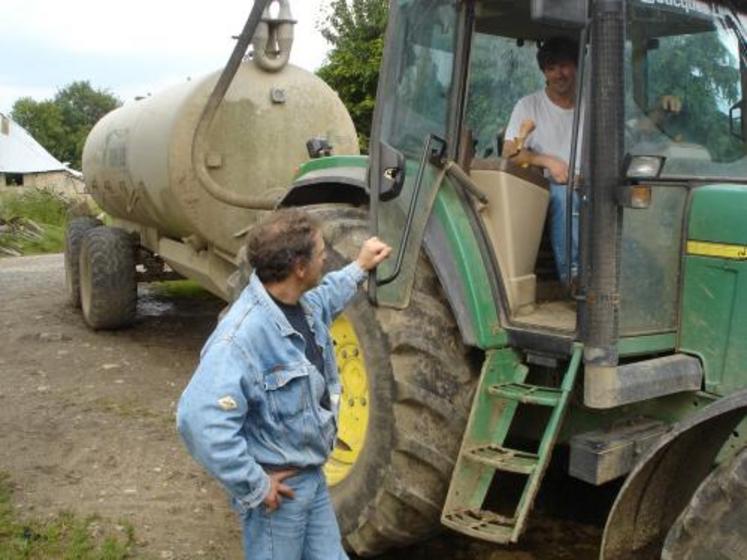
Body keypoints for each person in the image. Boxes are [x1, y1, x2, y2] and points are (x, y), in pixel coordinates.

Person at [176, 209, 392, 560]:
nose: (325, 257)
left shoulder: (300, 306)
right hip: (280, 492)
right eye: (320, 252)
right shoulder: (241, 337)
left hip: (312, 478)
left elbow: (326, 299)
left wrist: (359, 267)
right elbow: (198, 419)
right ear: (299, 267)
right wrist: (255, 484)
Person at [502, 36, 581, 286]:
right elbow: (510, 153)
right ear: (544, 72)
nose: (559, 74)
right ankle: (574, 278)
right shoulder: (529, 106)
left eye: (565, 65)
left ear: (577, 66)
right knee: (566, 197)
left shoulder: (594, 104)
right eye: (551, 68)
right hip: (549, 188)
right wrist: (548, 160)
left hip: (589, 184)